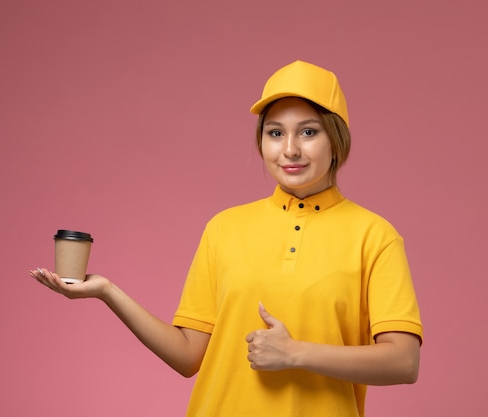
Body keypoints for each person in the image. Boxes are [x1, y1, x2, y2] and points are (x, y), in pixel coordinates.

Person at [30, 60, 423, 417]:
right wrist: (107, 292)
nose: (290, 149)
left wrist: (295, 353)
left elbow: (404, 362)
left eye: (308, 132)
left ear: (336, 140)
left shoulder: (375, 235)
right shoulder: (225, 227)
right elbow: (187, 356)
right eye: (275, 133)